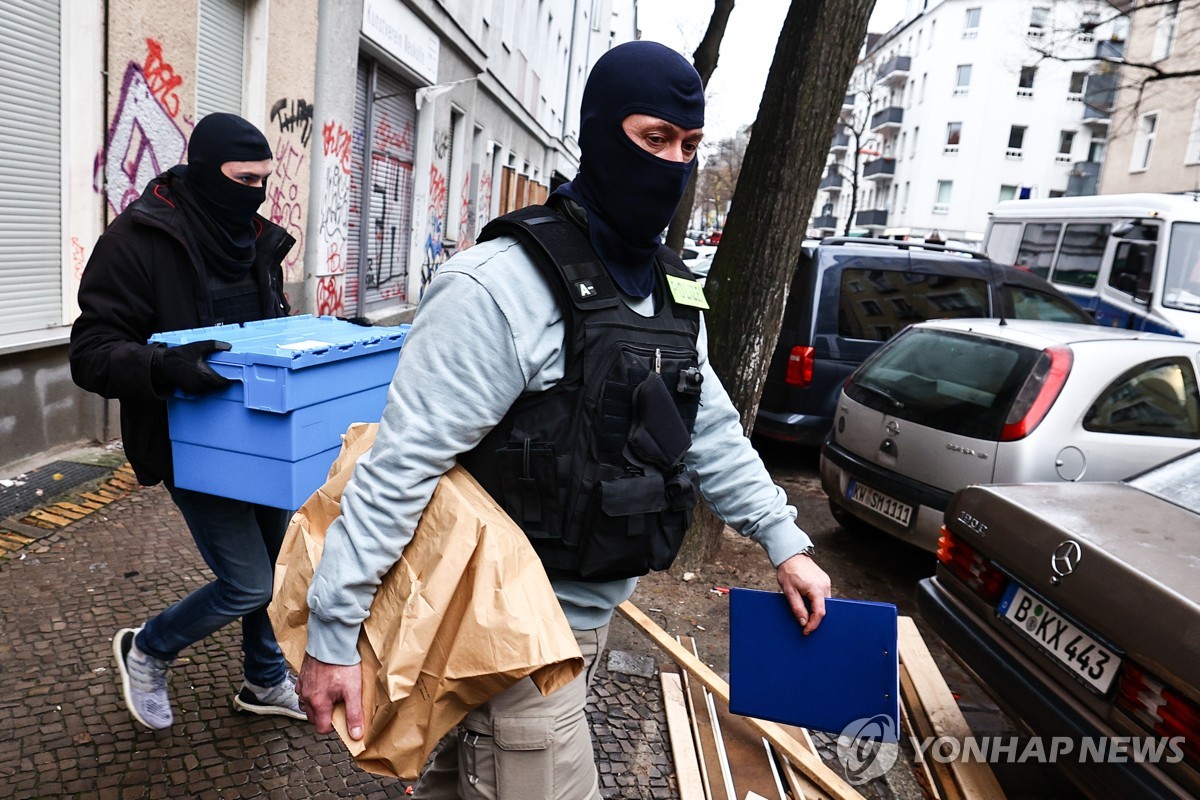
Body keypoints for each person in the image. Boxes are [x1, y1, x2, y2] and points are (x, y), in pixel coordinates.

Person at [298, 41, 831, 798]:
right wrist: (332, 632)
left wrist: (784, 542)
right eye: (653, 140)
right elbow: (401, 466)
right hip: (509, 638)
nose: (673, 165)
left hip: (584, 624)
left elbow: (706, 424)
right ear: (600, 132)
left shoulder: (674, 292)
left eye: (689, 147)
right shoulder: (498, 287)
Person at [69, 113, 305, 730]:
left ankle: (263, 678)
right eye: (242, 178)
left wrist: (319, 345)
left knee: (278, 570)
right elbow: (90, 352)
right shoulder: (139, 240)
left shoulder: (256, 239)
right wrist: (163, 366)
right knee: (250, 583)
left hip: (263, 435)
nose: (255, 192)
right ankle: (148, 646)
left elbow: (267, 332)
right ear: (204, 173)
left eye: (263, 179)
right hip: (189, 443)